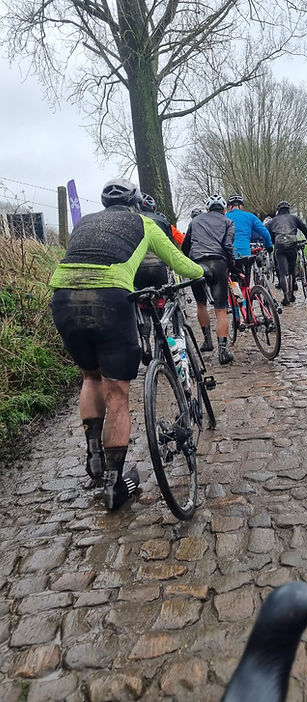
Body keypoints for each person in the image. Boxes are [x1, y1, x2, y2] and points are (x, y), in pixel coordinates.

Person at [50, 178, 207, 511]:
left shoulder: (85, 223)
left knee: (91, 377)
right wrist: (202, 271)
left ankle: (93, 457)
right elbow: (179, 263)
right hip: (109, 300)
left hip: (62, 297)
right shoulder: (145, 223)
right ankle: (113, 484)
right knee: (117, 393)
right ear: (135, 203)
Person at [182, 194, 236, 364]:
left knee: (201, 304)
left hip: (197, 264)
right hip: (217, 262)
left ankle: (207, 341)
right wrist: (232, 264)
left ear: (207, 209)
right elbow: (227, 245)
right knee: (220, 310)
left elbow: (185, 246)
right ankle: (223, 352)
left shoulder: (195, 221)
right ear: (224, 209)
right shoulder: (228, 222)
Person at [266, 201, 307, 306]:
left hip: (280, 247)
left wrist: (271, 242)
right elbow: (305, 229)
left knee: (283, 273)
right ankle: (291, 295)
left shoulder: (273, 221)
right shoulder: (294, 218)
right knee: (292, 271)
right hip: (292, 245)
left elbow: (265, 231)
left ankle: (285, 297)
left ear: (278, 210)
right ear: (289, 209)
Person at [226, 194, 273, 286]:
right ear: (241, 206)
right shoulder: (250, 216)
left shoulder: (224, 217)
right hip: (246, 253)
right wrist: (269, 246)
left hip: (230, 254)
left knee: (231, 282)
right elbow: (265, 233)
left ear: (229, 207)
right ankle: (247, 296)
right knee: (245, 283)